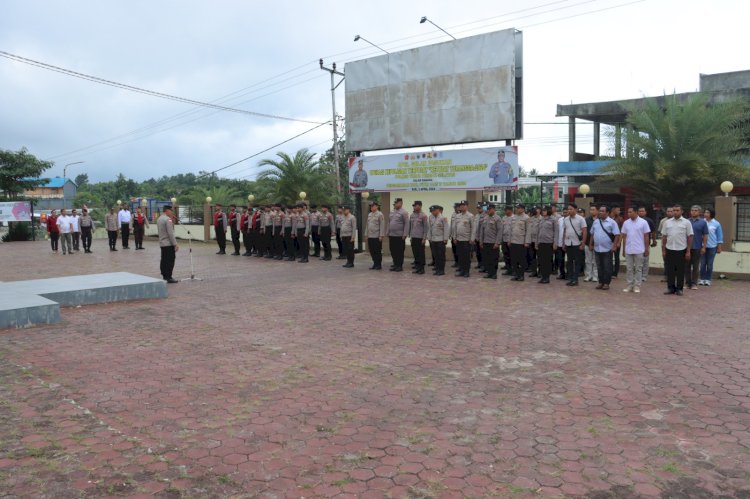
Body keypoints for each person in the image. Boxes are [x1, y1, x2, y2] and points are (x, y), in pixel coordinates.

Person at [662, 205, 693, 296]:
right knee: (670, 270)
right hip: (670, 248)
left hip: (681, 249)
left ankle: (679, 289)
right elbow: (664, 237)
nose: (675, 212)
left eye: (677, 210)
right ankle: (670, 288)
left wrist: (688, 251)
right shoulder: (667, 222)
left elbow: (690, 236)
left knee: (680, 270)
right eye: (674, 210)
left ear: (682, 211)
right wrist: (663, 250)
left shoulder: (686, 222)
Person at [589, 205, 621, 291]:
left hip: (607, 249)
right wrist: (591, 244)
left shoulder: (612, 222)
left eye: (603, 211)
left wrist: (614, 246)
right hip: (597, 248)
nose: (600, 212)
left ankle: (606, 283)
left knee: (607, 266)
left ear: (607, 213)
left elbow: (617, 235)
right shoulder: (596, 222)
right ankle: (600, 282)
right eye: (600, 211)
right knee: (599, 266)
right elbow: (592, 233)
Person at [621, 206, 651, 293]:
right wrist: (623, 249)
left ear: (636, 212)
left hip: (639, 249)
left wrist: (646, 249)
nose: (629, 214)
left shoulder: (643, 222)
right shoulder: (626, 223)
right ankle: (629, 285)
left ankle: (637, 286)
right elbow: (624, 236)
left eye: (630, 212)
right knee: (629, 268)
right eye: (628, 212)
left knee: (638, 268)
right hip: (628, 249)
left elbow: (646, 236)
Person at [560, 203, 587, 286]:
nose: (569, 211)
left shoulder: (581, 219)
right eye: (568, 209)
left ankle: (575, 279)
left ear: (575, 209)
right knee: (569, 262)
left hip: (577, 243)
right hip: (568, 243)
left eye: (571, 209)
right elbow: (565, 231)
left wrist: (583, 243)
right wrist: (564, 243)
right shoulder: (566, 219)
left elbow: (584, 231)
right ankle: (571, 278)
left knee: (577, 262)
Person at [685, 205, 708, 290]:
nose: (693, 212)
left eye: (695, 210)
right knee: (686, 266)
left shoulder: (703, 222)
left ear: (699, 212)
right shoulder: (686, 221)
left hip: (697, 247)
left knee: (695, 266)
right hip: (686, 247)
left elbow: (705, 235)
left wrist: (704, 247)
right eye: (692, 210)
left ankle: (694, 283)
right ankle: (687, 283)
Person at [451, 201, 475, 278]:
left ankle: (466, 272)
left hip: (466, 240)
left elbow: (473, 228)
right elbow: (455, 228)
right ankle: (461, 270)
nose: (462, 207)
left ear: (467, 206)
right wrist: (454, 237)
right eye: (461, 205)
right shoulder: (458, 216)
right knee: (460, 256)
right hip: (458, 240)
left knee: (466, 257)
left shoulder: (470, 216)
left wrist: (472, 239)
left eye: (463, 205)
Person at [478, 203, 502, 279]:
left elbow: (500, 231)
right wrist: (481, 241)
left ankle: (494, 273)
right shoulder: (485, 218)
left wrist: (497, 243)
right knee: (487, 258)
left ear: (493, 209)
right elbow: (482, 230)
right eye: (487, 209)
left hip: (493, 243)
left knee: (494, 259)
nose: (488, 211)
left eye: (489, 209)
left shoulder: (498, 218)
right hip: (485, 242)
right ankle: (489, 272)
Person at [508, 204, 531, 281]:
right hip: (513, 241)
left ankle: (521, 275)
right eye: (517, 208)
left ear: (523, 209)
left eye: (519, 208)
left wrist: (527, 242)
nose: (517, 209)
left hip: (521, 242)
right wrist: (509, 240)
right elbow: (510, 230)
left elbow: (528, 231)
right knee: (514, 259)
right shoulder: (514, 217)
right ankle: (516, 274)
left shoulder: (526, 218)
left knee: (521, 260)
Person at [701, 208, 723, 286]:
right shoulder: (702, 222)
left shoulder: (716, 223)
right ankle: (702, 279)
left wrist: (719, 247)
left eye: (708, 212)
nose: (705, 214)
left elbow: (719, 236)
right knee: (702, 263)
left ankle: (708, 279)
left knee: (709, 264)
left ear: (712, 214)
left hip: (712, 246)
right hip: (702, 246)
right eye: (705, 212)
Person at [536, 206, 558, 284]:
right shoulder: (541, 220)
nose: (543, 212)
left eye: (545, 210)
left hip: (549, 243)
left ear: (548, 211)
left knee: (547, 261)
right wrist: (536, 243)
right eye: (543, 210)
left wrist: (555, 244)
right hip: (541, 243)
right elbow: (538, 232)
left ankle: (547, 277)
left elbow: (556, 232)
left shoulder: (553, 220)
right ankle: (543, 276)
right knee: (541, 260)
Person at [157, 205, 179, 283]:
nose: (172, 212)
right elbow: (170, 233)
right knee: (170, 260)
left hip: (162, 243)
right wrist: (175, 244)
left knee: (164, 260)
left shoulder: (159, 219)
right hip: (168, 243)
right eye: (171, 210)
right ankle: (169, 277)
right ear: (167, 210)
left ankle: (164, 275)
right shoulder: (168, 220)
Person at [388, 198, 410, 272]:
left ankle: (399, 266)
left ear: (400, 203)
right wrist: (387, 232)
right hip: (392, 235)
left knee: (399, 251)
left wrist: (405, 234)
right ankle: (395, 264)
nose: (395, 204)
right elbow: (389, 222)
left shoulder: (404, 212)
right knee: (393, 250)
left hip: (399, 236)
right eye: (394, 203)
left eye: (396, 203)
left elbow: (407, 224)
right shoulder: (392, 211)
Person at [427, 205, 449, 276]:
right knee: (436, 255)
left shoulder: (443, 218)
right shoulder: (431, 218)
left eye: (433, 211)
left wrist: (445, 239)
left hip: (441, 240)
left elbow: (446, 229)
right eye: (431, 211)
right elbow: (430, 228)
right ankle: (437, 269)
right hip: (433, 240)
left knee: (441, 256)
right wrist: (429, 238)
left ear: (438, 210)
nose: (432, 212)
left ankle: (441, 270)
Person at [637, 206, 658, 282]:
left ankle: (644, 276)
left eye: (643, 211)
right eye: (640, 211)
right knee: (637, 260)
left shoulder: (649, 221)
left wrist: (654, 240)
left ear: (645, 212)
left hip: (646, 243)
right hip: (636, 244)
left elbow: (653, 232)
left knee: (645, 260)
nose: (641, 212)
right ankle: (637, 275)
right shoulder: (634, 220)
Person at [409, 201, 429, 274]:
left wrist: (424, 238)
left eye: (416, 205)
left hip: (420, 238)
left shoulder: (423, 216)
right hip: (413, 237)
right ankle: (417, 268)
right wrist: (410, 237)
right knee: (415, 253)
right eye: (413, 206)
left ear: (420, 206)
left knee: (420, 254)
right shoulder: (412, 215)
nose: (414, 207)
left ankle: (421, 269)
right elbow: (411, 227)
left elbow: (426, 228)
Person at [366, 201, 386, 269]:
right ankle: (374, 263)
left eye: (373, 206)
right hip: (370, 236)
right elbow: (367, 225)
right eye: (371, 206)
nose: (371, 207)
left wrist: (381, 235)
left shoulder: (380, 214)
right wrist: (366, 234)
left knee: (377, 251)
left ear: (377, 206)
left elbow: (382, 225)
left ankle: (378, 264)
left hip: (377, 236)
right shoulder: (369, 214)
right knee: (372, 251)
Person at [657, 206, 674, 282]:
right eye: (668, 211)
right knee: (666, 260)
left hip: (675, 244)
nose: (669, 213)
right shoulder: (663, 221)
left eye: (671, 211)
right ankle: (666, 276)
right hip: (665, 244)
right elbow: (660, 232)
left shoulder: (678, 221)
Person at [583, 205, 599, 282]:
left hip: (597, 244)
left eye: (593, 209)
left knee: (595, 261)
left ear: (597, 211)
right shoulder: (587, 219)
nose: (592, 211)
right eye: (591, 210)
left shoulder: (600, 219)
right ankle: (588, 275)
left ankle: (595, 276)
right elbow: (585, 231)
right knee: (588, 260)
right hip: (587, 243)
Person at [610, 206, 624, 278]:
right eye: (618, 210)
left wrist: (619, 242)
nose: (619, 211)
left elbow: (622, 232)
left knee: (616, 257)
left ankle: (615, 273)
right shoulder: (608, 218)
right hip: (608, 240)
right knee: (609, 257)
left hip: (617, 240)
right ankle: (609, 271)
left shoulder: (620, 219)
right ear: (613, 210)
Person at [500, 205, 513, 275]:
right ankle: (508, 269)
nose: (505, 211)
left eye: (506, 210)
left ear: (510, 210)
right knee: (505, 254)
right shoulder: (504, 218)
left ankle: (513, 269)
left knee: (512, 255)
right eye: (505, 210)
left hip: (511, 240)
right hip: (504, 239)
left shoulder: (514, 218)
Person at [474, 203, 486, 271]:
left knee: (482, 252)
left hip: (483, 238)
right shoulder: (476, 216)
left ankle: (483, 265)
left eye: (480, 208)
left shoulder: (485, 216)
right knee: (477, 252)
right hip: (477, 237)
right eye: (478, 208)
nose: (478, 209)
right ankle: (479, 263)